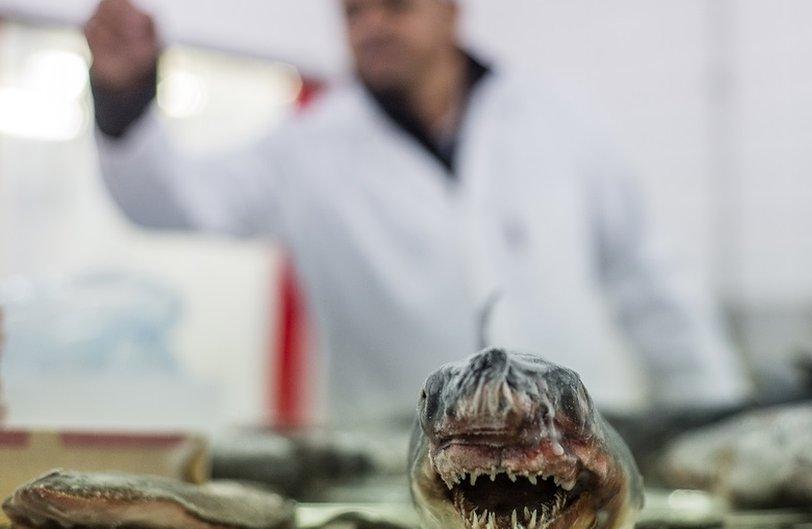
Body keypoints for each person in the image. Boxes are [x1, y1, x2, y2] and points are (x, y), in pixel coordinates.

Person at [84, 0, 748, 422]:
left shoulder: (559, 119)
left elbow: (649, 280)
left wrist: (714, 413)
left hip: (577, 453)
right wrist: (123, 98)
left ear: (454, 11)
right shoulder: (306, 145)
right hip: (401, 471)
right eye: (352, 12)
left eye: (395, 6)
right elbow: (169, 200)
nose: (371, 25)